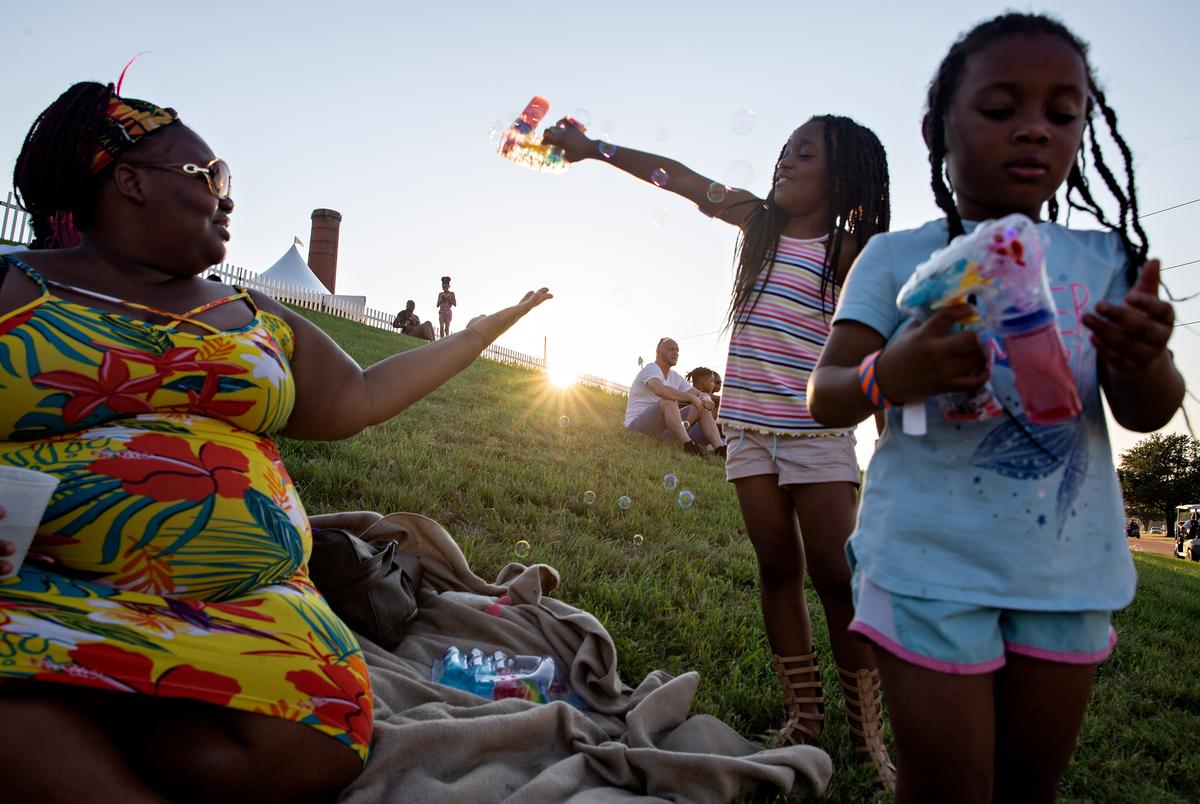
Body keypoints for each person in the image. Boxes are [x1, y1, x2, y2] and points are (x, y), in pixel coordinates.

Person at [0, 80, 551, 803]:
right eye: (210, 176)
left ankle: (86, 710)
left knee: (320, 735)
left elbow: (359, 397)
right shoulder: (18, 287)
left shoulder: (249, 311)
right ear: (129, 182)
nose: (227, 197)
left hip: (245, 605)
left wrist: (474, 336)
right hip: (49, 588)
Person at [807, 13, 1184, 802]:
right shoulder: (899, 257)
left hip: (1067, 575)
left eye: (1060, 113)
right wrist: (890, 373)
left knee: (1025, 788)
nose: (1033, 132)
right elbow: (826, 393)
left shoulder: (1105, 260)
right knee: (947, 785)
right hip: (925, 564)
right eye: (1001, 107)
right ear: (938, 128)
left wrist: (1143, 357)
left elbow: (1148, 412)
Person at [543, 112, 894, 785]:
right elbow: (677, 179)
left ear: (845, 176)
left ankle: (869, 732)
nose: (784, 161)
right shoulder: (755, 224)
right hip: (749, 434)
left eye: (805, 154)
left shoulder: (852, 255)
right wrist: (594, 149)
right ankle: (805, 715)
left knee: (838, 578)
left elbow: (880, 346)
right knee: (776, 569)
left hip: (818, 437)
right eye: (784, 150)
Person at [624, 337, 722, 457]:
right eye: (670, 349)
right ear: (659, 352)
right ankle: (688, 445)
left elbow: (699, 394)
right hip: (637, 427)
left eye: (677, 350)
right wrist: (690, 398)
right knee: (668, 402)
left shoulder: (675, 376)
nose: (675, 353)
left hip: (663, 431)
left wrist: (705, 398)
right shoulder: (651, 369)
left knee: (701, 405)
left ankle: (720, 448)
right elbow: (660, 390)